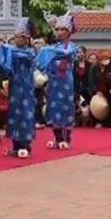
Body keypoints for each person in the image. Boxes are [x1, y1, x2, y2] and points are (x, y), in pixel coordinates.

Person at [0, 18, 37, 158]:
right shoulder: (11, 52)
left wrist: (6, 49)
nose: (16, 40)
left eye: (19, 37)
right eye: (15, 37)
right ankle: (15, 145)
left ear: (26, 39)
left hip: (26, 88)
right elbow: (4, 66)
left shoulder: (30, 52)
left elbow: (20, 55)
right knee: (14, 114)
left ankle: (26, 145)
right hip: (14, 87)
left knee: (25, 114)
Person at [37, 14, 79, 149]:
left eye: (62, 29)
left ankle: (67, 138)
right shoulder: (52, 48)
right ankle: (57, 137)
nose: (59, 32)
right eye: (57, 29)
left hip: (66, 82)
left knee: (66, 107)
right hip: (54, 81)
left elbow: (65, 54)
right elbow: (44, 63)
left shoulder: (72, 47)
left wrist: (47, 50)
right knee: (54, 107)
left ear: (69, 31)